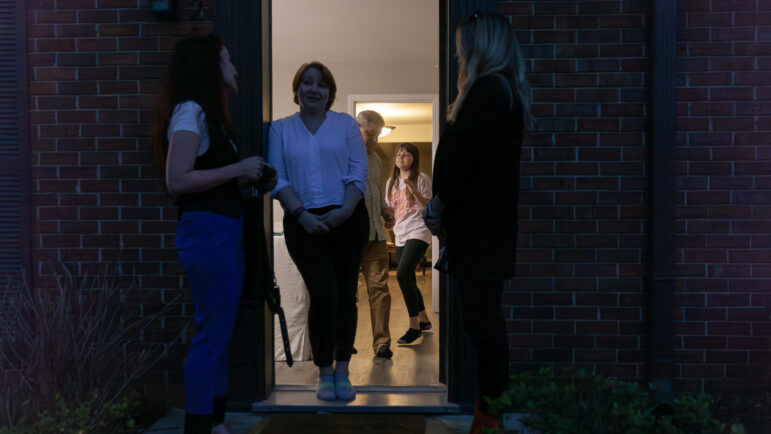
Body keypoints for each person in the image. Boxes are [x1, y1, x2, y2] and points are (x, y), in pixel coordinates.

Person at [151, 34, 274, 434]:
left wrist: (247, 178)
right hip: (207, 231)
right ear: (208, 67)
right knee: (211, 332)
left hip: (221, 229)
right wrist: (239, 169)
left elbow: (205, 179)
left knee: (219, 330)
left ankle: (213, 421)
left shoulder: (208, 117)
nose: (235, 68)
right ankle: (200, 425)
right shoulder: (190, 112)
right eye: (226, 60)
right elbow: (177, 179)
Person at [423, 12, 529, 434]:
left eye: (462, 43)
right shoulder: (502, 91)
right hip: (486, 230)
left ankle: (488, 419)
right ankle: (488, 416)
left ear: (480, 45)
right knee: (484, 322)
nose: (457, 51)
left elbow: (462, 165)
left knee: (483, 324)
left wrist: (438, 207)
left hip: (480, 232)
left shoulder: (487, 90)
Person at [268, 61, 369, 402]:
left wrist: (344, 210)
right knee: (323, 294)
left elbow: (358, 171)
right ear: (296, 89)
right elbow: (278, 178)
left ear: (330, 92)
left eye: (321, 84)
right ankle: (324, 371)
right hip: (302, 221)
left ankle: (343, 370)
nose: (314, 89)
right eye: (307, 83)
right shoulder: (281, 129)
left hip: (348, 217)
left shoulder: (345, 125)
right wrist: (300, 214)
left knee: (346, 296)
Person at [356, 110, 396, 359]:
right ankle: (344, 340)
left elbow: (379, 195)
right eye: (371, 133)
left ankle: (381, 343)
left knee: (380, 290)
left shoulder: (377, 161)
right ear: (357, 128)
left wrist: (385, 211)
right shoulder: (342, 156)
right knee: (348, 292)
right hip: (350, 237)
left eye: (378, 134)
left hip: (377, 236)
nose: (375, 140)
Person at [385, 143, 433, 345]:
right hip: (400, 232)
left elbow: (428, 209)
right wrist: (386, 219)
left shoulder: (422, 179)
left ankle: (414, 327)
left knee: (403, 273)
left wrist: (414, 191)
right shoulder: (391, 182)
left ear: (414, 158)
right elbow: (390, 211)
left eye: (406, 155)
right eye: (399, 154)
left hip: (419, 230)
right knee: (408, 278)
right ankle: (424, 321)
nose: (401, 157)